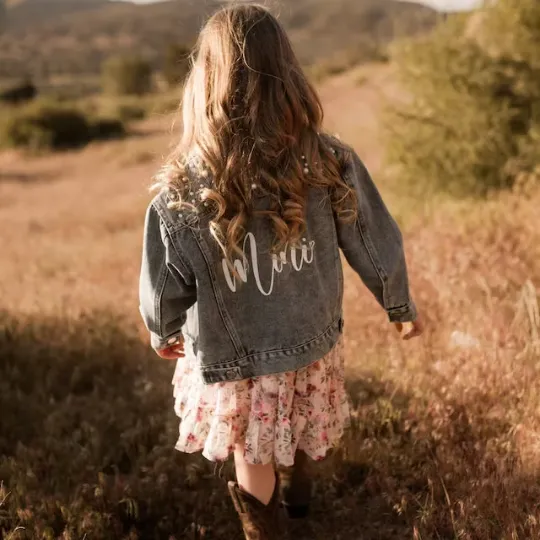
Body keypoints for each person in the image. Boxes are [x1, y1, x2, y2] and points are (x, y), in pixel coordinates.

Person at [139, 4, 423, 539]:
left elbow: (163, 275)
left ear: (205, 80)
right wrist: (398, 302)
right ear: (287, 72)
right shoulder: (329, 160)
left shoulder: (181, 186)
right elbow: (373, 236)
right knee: (296, 412)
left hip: (235, 353)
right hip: (308, 337)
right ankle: (299, 500)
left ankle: (264, 532)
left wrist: (163, 326)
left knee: (253, 446)